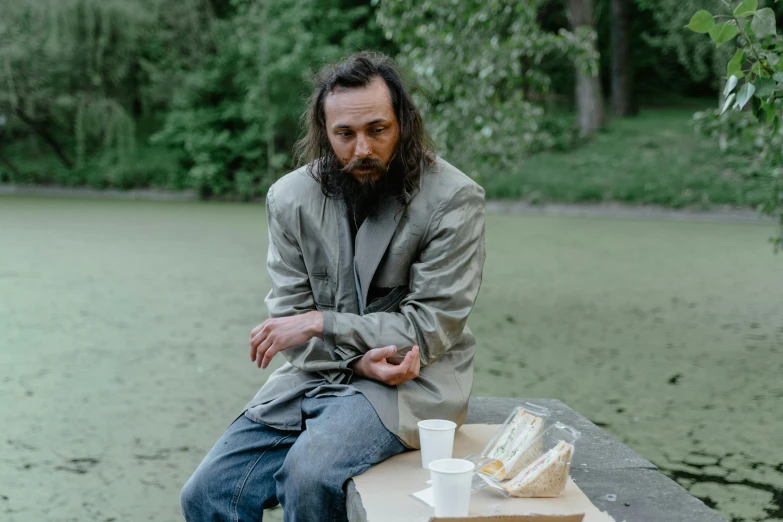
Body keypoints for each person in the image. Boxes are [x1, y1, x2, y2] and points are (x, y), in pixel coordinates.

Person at [180, 51, 486, 522]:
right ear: (325, 133)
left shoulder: (453, 198)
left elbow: (427, 329)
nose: (362, 148)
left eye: (377, 130)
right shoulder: (288, 199)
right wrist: (352, 357)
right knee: (206, 493)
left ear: (403, 123)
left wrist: (321, 323)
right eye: (345, 134)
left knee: (309, 475)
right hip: (317, 374)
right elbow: (290, 322)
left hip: (412, 381)